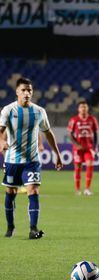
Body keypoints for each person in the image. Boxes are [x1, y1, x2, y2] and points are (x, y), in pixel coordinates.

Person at [0, 77, 63, 239]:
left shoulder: (39, 111)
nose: (27, 93)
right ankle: (10, 226)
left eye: (29, 90)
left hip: (32, 160)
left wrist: (57, 154)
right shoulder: (8, 110)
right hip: (12, 160)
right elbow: (0, 131)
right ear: (17, 92)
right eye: (23, 90)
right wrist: (1, 141)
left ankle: (33, 228)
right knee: (10, 192)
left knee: (33, 191)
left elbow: (48, 133)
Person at [67, 101, 99, 195]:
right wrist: (76, 144)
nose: (83, 109)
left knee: (90, 165)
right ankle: (77, 189)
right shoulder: (74, 120)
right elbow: (70, 134)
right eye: (81, 107)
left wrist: (95, 146)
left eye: (85, 107)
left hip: (89, 147)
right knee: (78, 168)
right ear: (78, 109)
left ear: (87, 108)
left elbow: (96, 134)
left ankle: (87, 189)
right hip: (78, 148)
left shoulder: (92, 119)